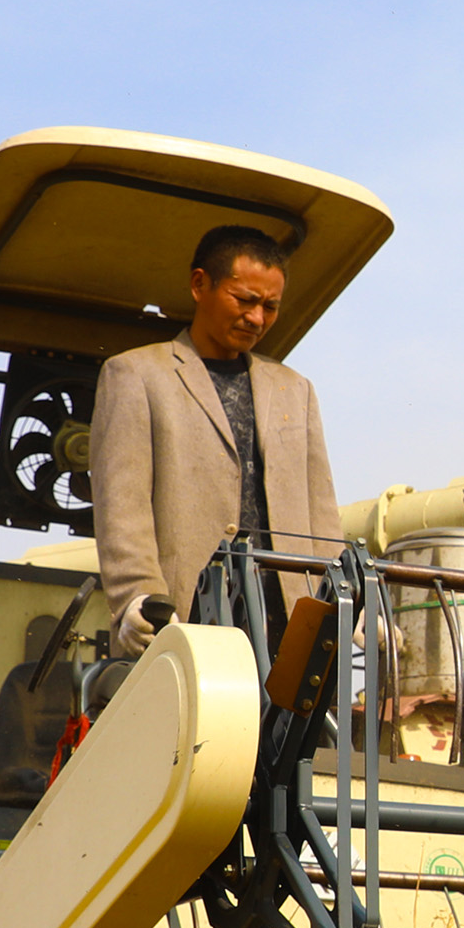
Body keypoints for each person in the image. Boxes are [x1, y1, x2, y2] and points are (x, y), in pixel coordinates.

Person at [92, 225, 344, 653]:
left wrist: (345, 604)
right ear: (199, 285)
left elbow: (321, 514)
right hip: (183, 622)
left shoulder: (295, 389)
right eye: (244, 300)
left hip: (290, 628)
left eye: (270, 306)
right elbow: (122, 504)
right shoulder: (136, 374)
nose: (257, 318)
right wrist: (136, 597)